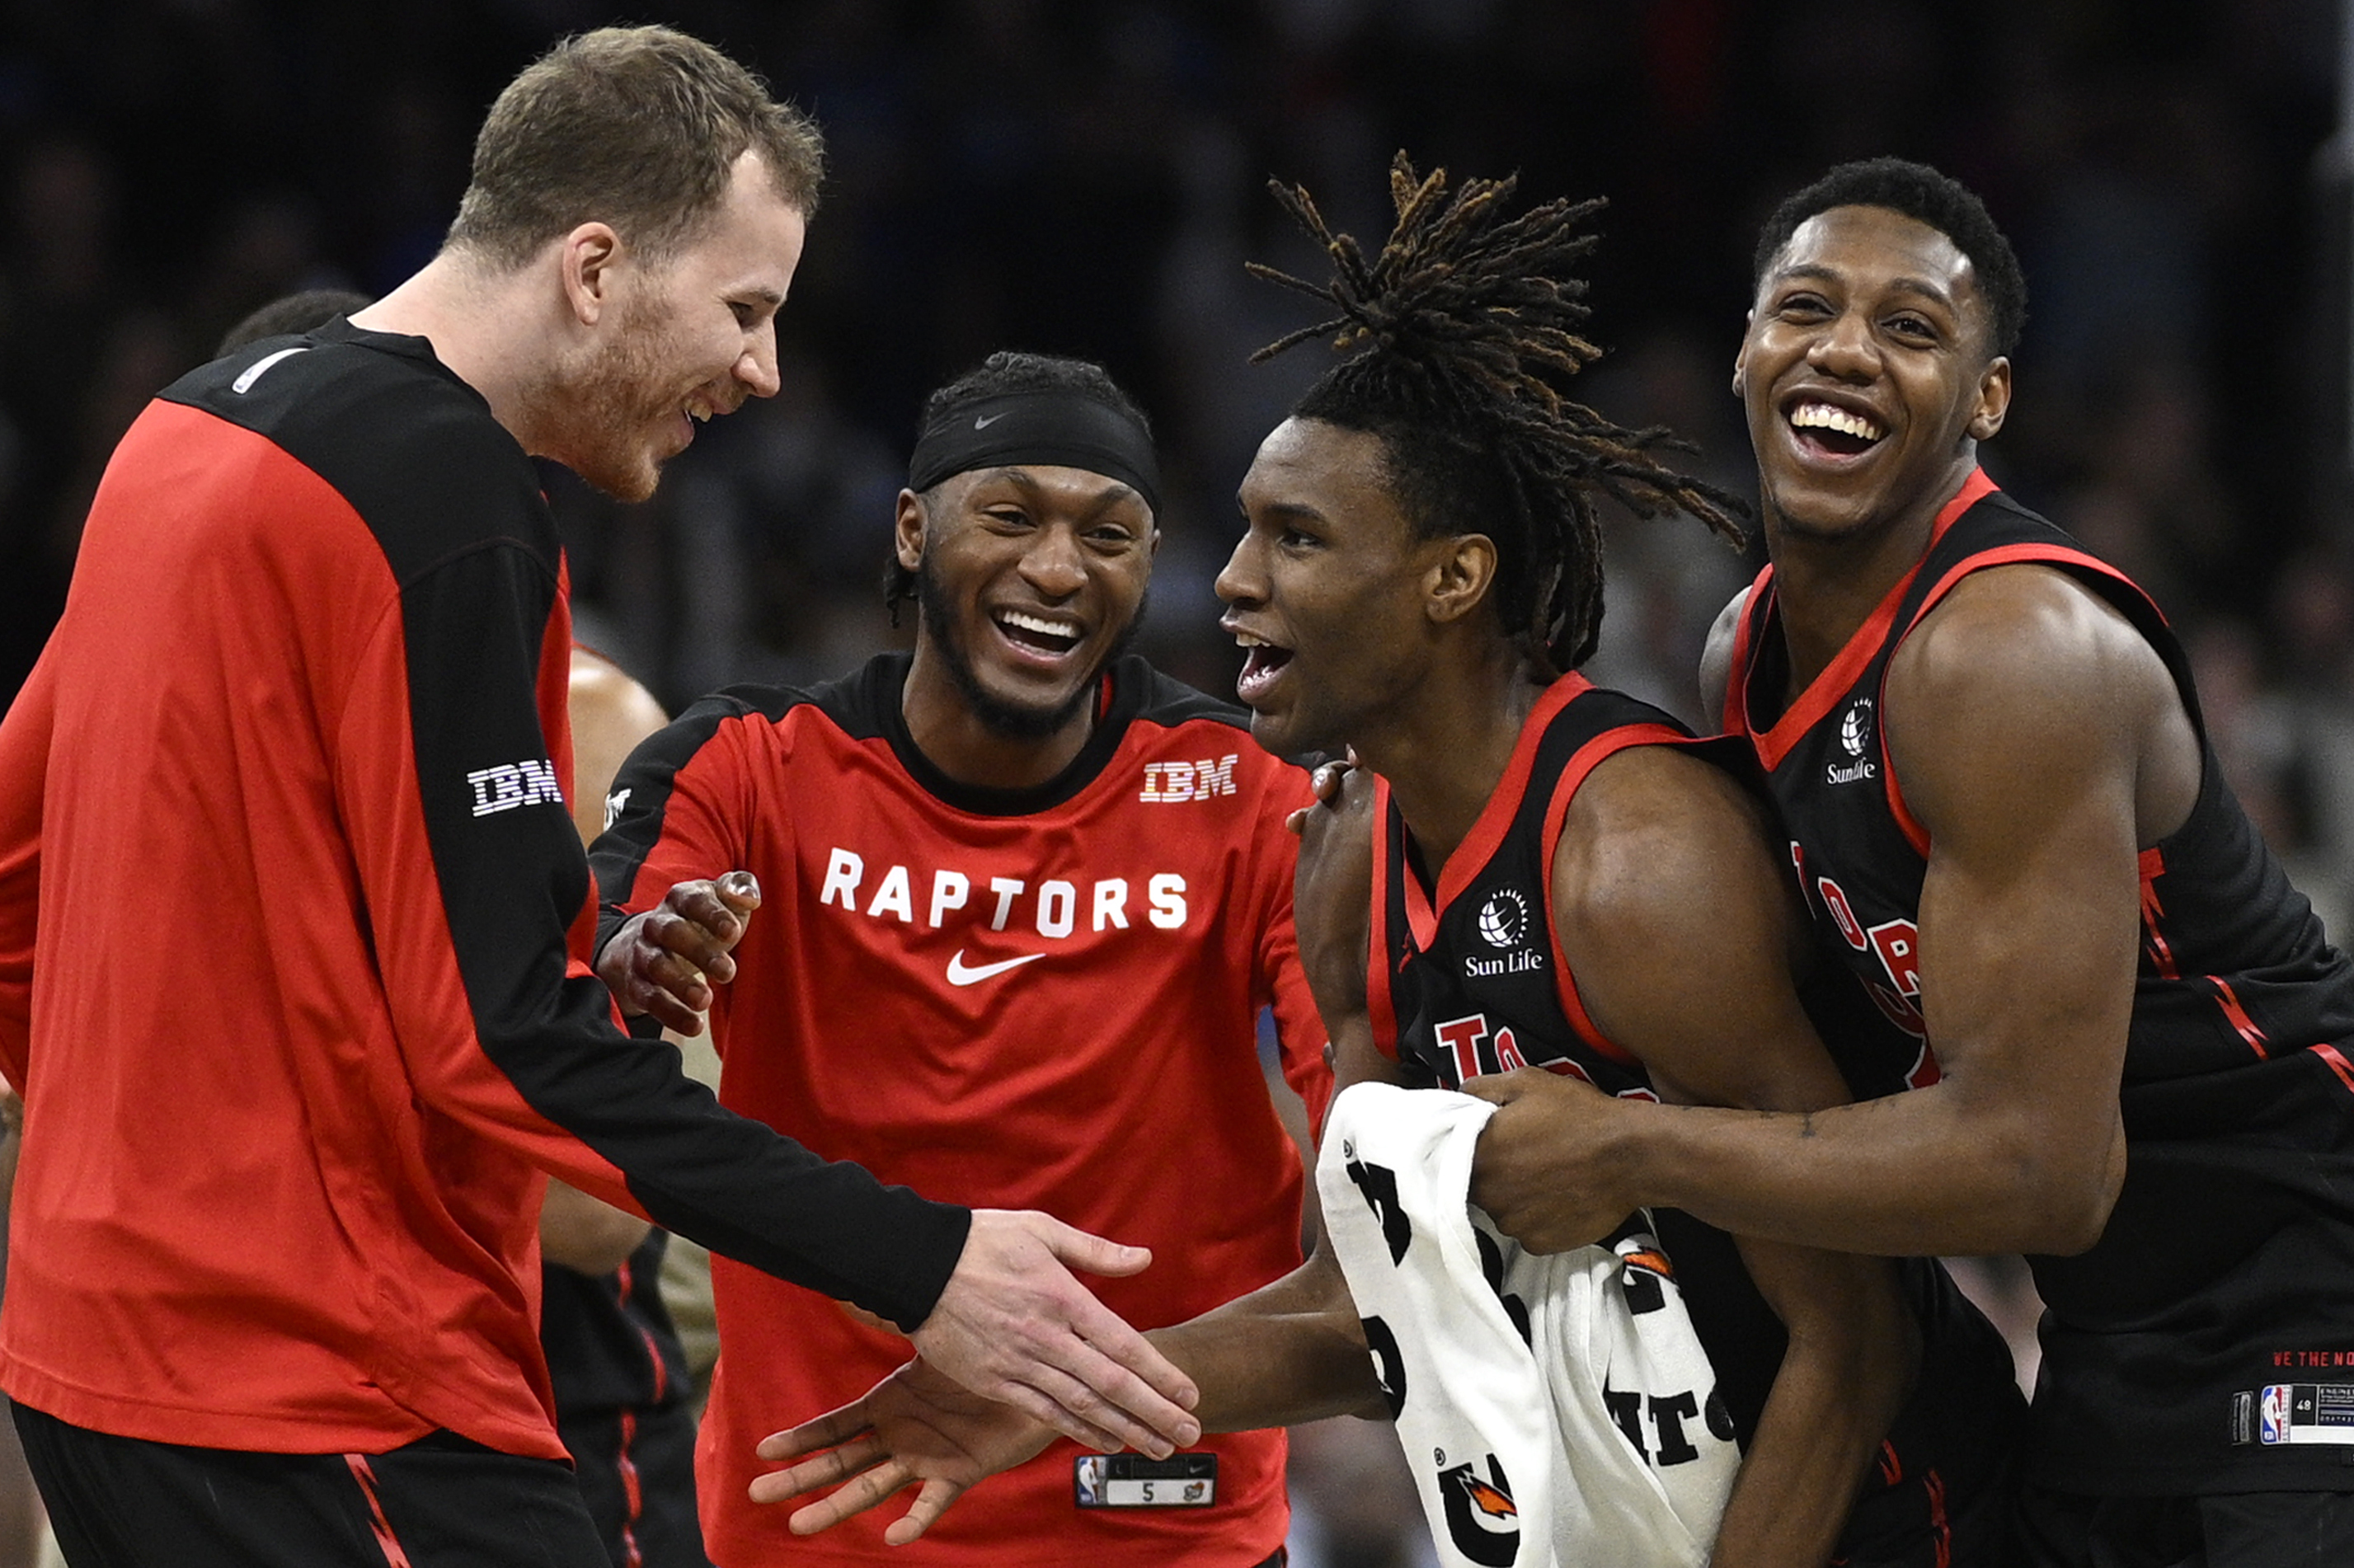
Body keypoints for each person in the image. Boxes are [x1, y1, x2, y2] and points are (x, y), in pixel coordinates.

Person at [0, 26, 1197, 1568]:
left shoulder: (195, 423)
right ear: (592, 268)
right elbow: (503, 1047)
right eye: (745, 309)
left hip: (99, 1367)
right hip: (319, 1383)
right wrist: (925, 1259)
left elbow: (24, 875)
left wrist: (184, 1138)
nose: (764, 371)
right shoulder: (446, 492)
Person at [749, 158, 2023, 1567]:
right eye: (1244, 528)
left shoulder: (1631, 862)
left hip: (1897, 1518)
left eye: (1296, 538)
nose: (1230, 580)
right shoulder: (1347, 853)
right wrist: (1046, 1398)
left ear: (1453, 580)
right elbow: (1367, 1311)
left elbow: (1853, 1346)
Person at [1437, 157, 2354, 1566]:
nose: (1847, 349)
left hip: (2308, 1288)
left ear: (1988, 402)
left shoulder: (2009, 654)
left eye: (1913, 328)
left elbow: (2043, 1166)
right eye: (1806, 307)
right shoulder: (1742, 654)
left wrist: (1627, 1146)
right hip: (2118, 1333)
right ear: (1747, 350)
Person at [590, 349, 1331, 1568]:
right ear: (911, 527)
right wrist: (638, 955)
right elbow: (592, 964)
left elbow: (1368, 1138)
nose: (1057, 567)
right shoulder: (746, 764)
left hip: (1160, 1519)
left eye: (1109, 532)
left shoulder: (1253, 795)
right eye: (1011, 515)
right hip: (823, 1520)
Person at [219, 287, 716, 1568]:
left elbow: (600, 1210)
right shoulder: (199, 725)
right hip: (236, 1392)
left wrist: (256, 1084)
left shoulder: (595, 722)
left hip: (561, 1408)